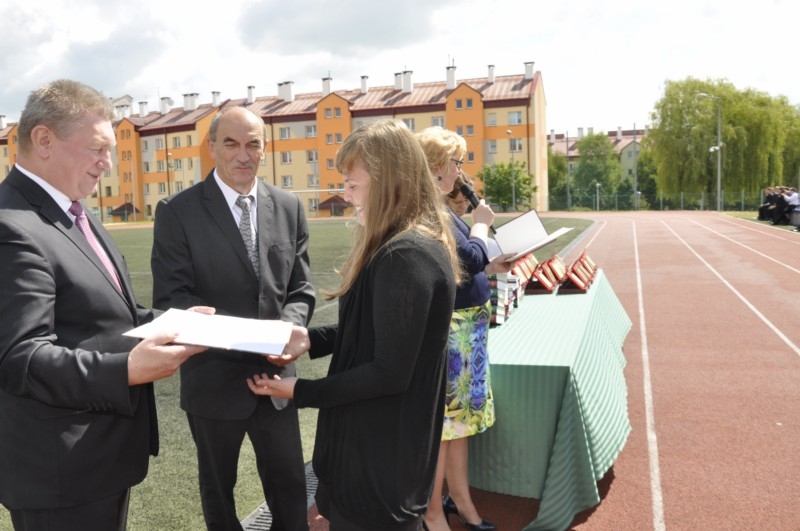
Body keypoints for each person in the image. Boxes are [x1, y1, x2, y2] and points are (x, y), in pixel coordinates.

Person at [0, 79, 208, 531]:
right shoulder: (11, 226)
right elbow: (21, 358)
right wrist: (127, 369)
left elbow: (107, 316)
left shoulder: (73, 211)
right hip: (60, 477)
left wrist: (173, 323)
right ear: (44, 140)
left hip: (98, 463)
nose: (107, 164)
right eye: (97, 149)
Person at [247, 119, 461, 531]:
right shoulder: (396, 245)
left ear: (389, 183)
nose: (346, 197)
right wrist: (309, 339)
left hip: (381, 460)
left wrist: (300, 391)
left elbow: (388, 371)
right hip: (376, 453)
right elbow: (375, 332)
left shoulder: (406, 255)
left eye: (352, 185)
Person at [151, 106, 316, 531]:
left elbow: (301, 288)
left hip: (277, 379)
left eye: (252, 144)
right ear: (212, 147)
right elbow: (172, 297)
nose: (243, 155)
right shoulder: (177, 211)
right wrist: (242, 334)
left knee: (290, 489)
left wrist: (288, 330)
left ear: (264, 148)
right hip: (213, 380)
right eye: (231, 143)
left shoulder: (289, 206)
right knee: (218, 494)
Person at [416, 126, 512, 531]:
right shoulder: (424, 210)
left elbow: (466, 263)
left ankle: (460, 500)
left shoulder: (441, 208)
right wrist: (482, 226)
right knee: (444, 427)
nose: (460, 171)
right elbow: (464, 257)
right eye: (456, 162)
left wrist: (491, 264)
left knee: (460, 425)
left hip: (468, 327)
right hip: (451, 331)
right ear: (437, 165)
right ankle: (432, 512)